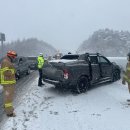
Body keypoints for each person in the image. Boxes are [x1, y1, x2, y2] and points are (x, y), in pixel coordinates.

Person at [0, 50, 17, 117]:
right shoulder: (6, 62)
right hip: (8, 83)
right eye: (14, 57)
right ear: (11, 56)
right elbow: (6, 72)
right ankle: (10, 113)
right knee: (9, 98)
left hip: (8, 83)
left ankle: (6, 108)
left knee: (8, 97)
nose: (14, 58)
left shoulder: (7, 61)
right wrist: (13, 71)